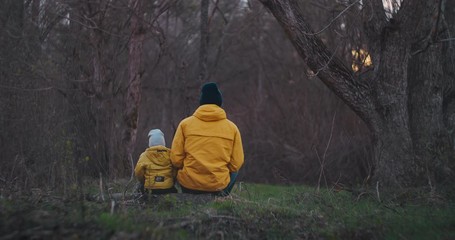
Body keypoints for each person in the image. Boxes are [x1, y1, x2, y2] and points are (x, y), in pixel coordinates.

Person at [170, 82, 244, 196]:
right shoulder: (232, 128)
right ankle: (222, 197)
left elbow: (175, 159)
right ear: (219, 102)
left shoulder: (185, 124)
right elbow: (236, 164)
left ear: (201, 101)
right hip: (218, 186)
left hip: (189, 185)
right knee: (235, 171)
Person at [134, 129, 177, 194]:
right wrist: (171, 180)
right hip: (168, 188)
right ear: (163, 142)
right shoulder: (170, 154)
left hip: (150, 188)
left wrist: (144, 180)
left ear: (150, 143)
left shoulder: (144, 155)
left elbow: (138, 172)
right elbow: (174, 170)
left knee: (139, 189)